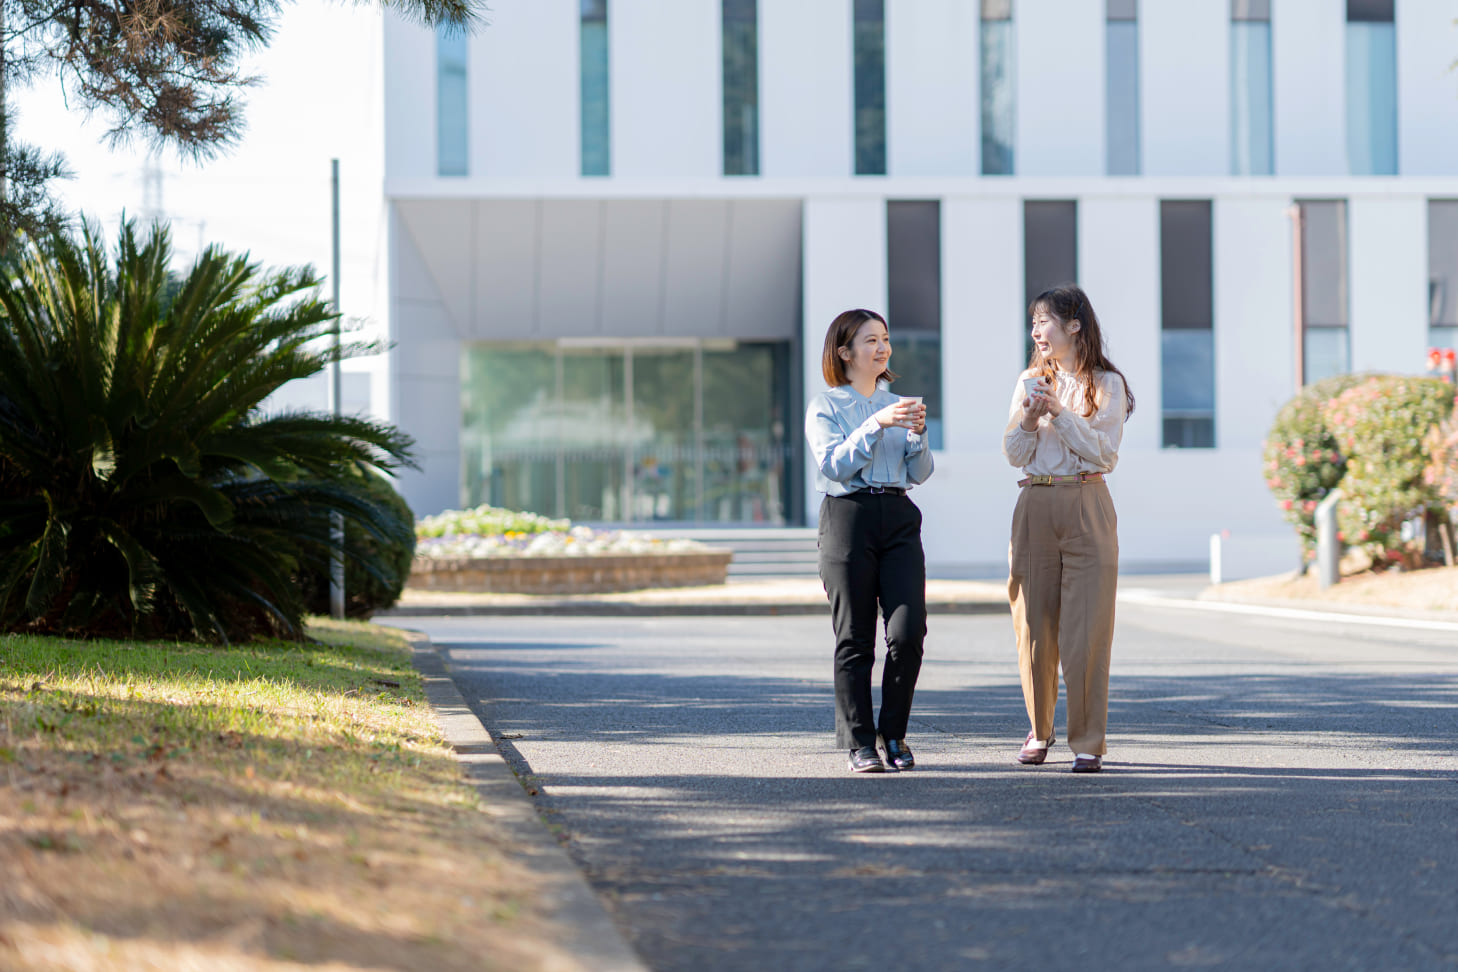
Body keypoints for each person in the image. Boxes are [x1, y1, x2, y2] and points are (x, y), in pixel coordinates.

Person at [1002, 285, 1135, 774]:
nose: (1037, 331)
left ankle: (1088, 741)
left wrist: (1059, 412)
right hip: (1034, 501)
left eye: (1046, 320)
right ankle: (1039, 730)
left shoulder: (1106, 384)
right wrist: (1030, 419)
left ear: (1075, 324)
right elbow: (1014, 453)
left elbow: (1104, 453)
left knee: (1087, 629)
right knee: (1033, 625)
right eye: (1033, 322)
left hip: (1087, 500)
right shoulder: (1028, 381)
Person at [805, 309, 934, 774]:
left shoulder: (899, 402)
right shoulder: (826, 406)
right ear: (844, 351)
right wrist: (876, 424)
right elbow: (832, 465)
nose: (882, 348)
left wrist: (917, 436)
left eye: (885, 339)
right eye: (870, 341)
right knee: (856, 638)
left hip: (898, 516)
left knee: (908, 631)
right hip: (848, 518)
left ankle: (894, 734)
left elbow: (919, 474)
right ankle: (860, 742)